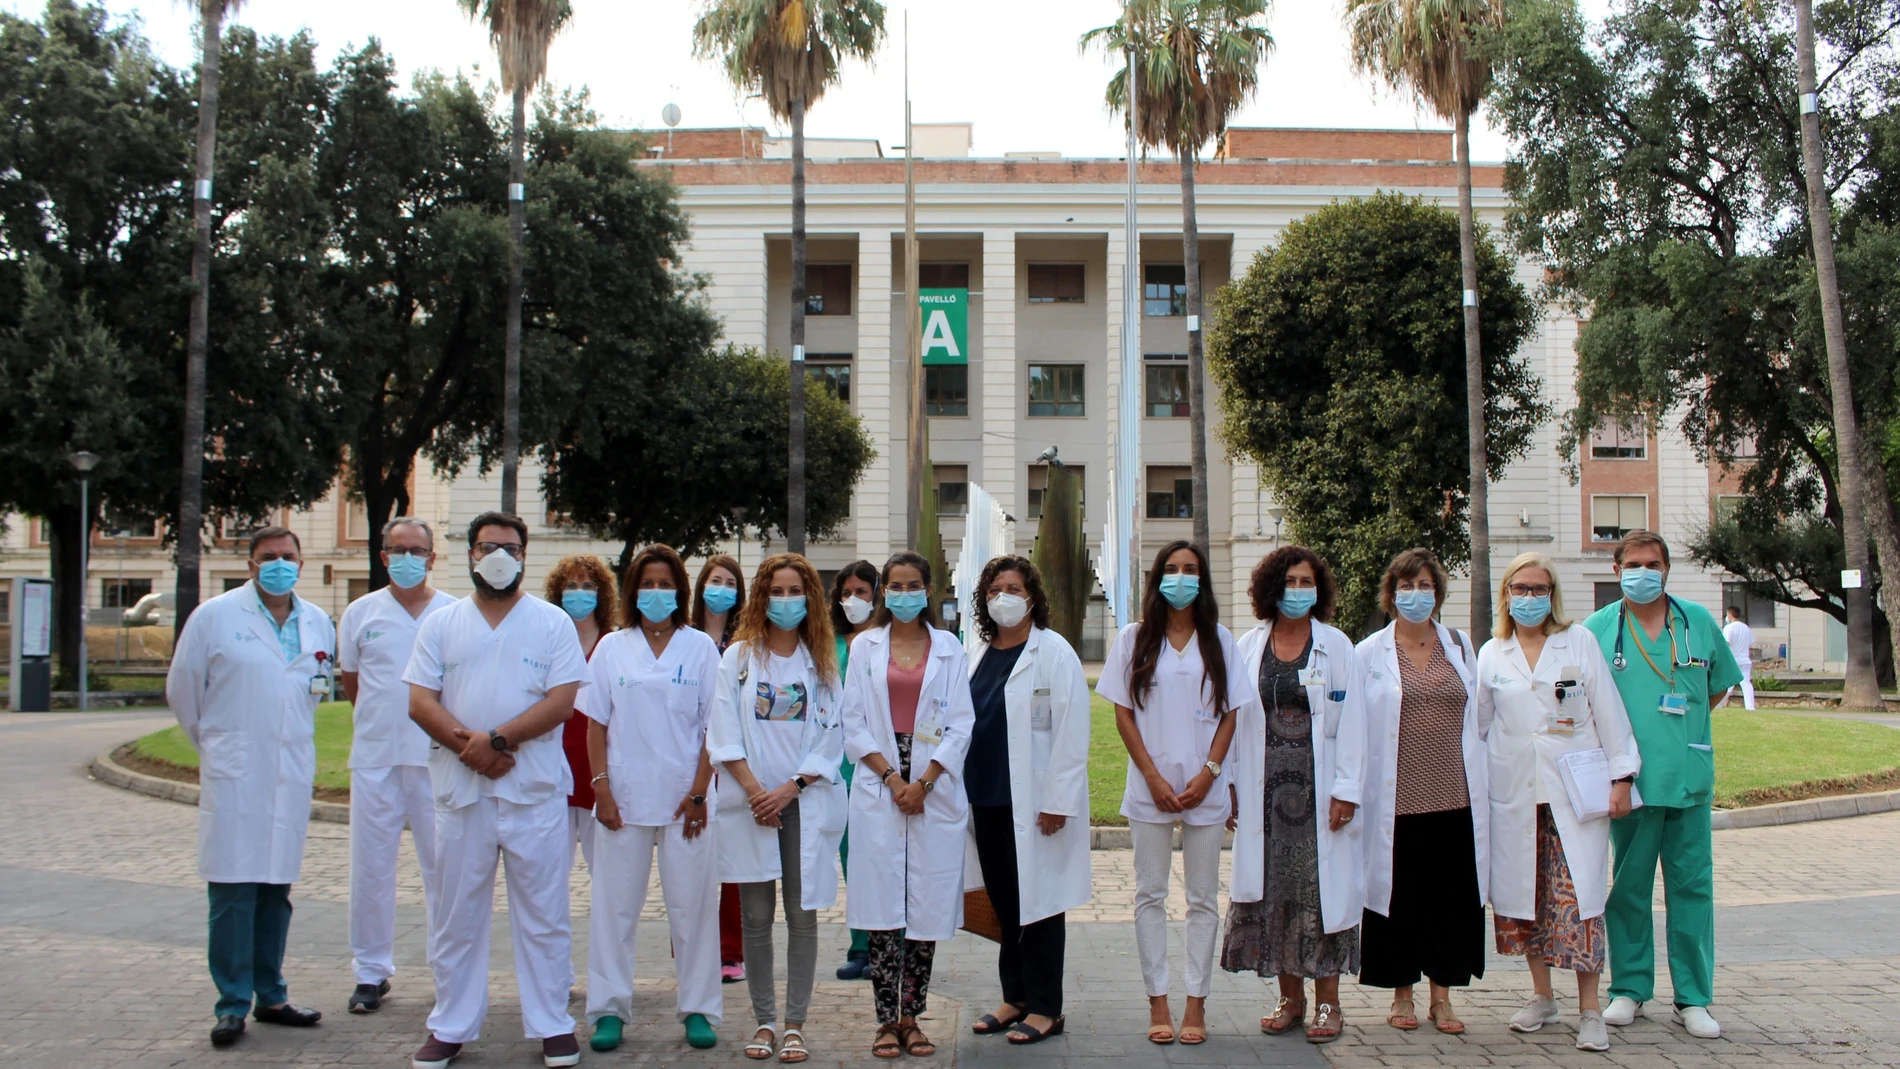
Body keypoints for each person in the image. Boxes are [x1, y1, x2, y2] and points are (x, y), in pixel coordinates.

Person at [404, 512, 589, 1069]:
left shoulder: (551, 622)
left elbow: (562, 701)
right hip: (464, 795)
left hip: (533, 794)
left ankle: (552, 1023)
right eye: (488, 547)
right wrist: (475, 750)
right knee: (457, 915)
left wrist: (500, 739)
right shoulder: (441, 623)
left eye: (509, 547)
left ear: (525, 554)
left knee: (545, 913)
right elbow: (420, 701)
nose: (499, 556)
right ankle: (451, 1025)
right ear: (470, 554)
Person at [167, 526, 336, 1048]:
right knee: (233, 891)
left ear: (302, 563)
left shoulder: (317, 623)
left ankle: (273, 994)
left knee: (275, 890)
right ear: (250, 565)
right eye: (268, 558)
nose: (279, 565)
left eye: (288, 557)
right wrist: (219, 746)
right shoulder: (214, 617)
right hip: (237, 771)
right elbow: (182, 692)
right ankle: (232, 1003)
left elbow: (315, 693)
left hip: (288, 772)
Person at [1478, 553, 1640, 1053]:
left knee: (1579, 903)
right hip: (1515, 796)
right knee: (1526, 901)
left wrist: (1622, 777)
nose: (1530, 598)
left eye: (1539, 589)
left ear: (1553, 594)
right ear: (1506, 594)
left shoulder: (1579, 642)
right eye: (1520, 589)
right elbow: (1479, 728)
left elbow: (1609, 713)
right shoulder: (1492, 652)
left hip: (1572, 795)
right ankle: (1542, 995)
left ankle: (1590, 1010)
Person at [1097, 539, 1255, 1046]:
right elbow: (1122, 711)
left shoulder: (1221, 640)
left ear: (1202, 580)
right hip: (1150, 790)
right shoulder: (1135, 638)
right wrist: (1153, 778)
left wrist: (1211, 774)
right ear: (1157, 579)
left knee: (1203, 900)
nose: (1181, 578)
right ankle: (1158, 1001)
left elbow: (1233, 712)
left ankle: (1196, 1005)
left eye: (1190, 570)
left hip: (1203, 790)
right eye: (1171, 569)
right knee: (1150, 895)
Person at [1583, 531, 1740, 1040]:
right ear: (1616, 569)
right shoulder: (1598, 631)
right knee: (1628, 889)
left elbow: (1716, 689)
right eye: (1633, 564)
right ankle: (1628, 989)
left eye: (1653, 564)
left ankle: (1694, 998)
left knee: (1692, 888)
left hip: (1687, 779)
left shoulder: (1698, 621)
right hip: (1630, 786)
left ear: (1668, 570)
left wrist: (1680, 737)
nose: (1643, 572)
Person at [582, 544, 723, 1052]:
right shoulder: (612, 648)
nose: (657, 593)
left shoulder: (701, 648)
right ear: (632, 590)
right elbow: (596, 724)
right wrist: (603, 788)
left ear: (680, 592)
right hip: (623, 797)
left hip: (687, 802)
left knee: (693, 908)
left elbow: (714, 728)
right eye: (648, 583)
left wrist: (699, 793)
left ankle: (699, 1008)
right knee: (615, 909)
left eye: (666, 584)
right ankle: (609, 1009)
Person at [1223, 546, 1365, 1045]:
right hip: (1265, 796)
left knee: (1320, 897)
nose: (1298, 590)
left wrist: (1346, 789)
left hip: (1320, 794)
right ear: (1270, 589)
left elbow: (1355, 723)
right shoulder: (1249, 646)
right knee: (1277, 896)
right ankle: (1291, 998)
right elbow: (1234, 722)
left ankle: (1329, 1002)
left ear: (1319, 589)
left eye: (1306, 582)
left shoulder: (1337, 646)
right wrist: (1232, 786)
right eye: (1288, 582)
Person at [707, 553, 845, 1065]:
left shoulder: (821, 662)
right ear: (761, 598)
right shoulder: (738, 658)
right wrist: (753, 792)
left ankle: (795, 1024)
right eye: (777, 591)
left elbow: (834, 735)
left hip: (801, 803)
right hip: (751, 804)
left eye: (796, 591)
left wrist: (789, 788)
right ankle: (764, 1021)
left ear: (810, 598)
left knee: (801, 915)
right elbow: (721, 732)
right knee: (756, 917)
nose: (786, 602)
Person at [842, 551, 977, 1059]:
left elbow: (962, 722)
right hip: (882, 780)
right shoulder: (863, 649)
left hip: (932, 783)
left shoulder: (948, 648)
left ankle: (911, 1017)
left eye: (913, 584)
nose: (903, 593)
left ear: (928, 589)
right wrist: (894, 779)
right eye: (894, 585)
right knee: (881, 909)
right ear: (883, 592)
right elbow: (852, 722)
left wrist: (924, 781)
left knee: (925, 905)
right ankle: (883, 1021)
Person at [1356, 547, 1487, 1036]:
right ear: (1391, 595)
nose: (1416, 595)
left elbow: (1482, 717)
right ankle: (1402, 995)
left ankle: (1443, 999)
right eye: (1406, 586)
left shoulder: (1459, 645)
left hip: (1455, 794)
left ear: (1439, 593)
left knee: (1451, 900)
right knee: (1400, 899)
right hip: (1396, 798)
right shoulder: (1369, 652)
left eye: (1425, 586)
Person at [962, 555, 1092, 1046]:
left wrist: (1058, 799)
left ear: (1032, 596)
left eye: (1013, 587)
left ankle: (1045, 1008)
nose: (1003, 597)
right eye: (994, 589)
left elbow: (1073, 730)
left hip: (1036, 805)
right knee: (1004, 904)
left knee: (1040, 904)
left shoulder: (1053, 652)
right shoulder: (976, 653)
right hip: (986, 799)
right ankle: (1013, 997)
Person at [339, 517, 456, 1014]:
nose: (408, 557)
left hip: (436, 761)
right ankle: (371, 970)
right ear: (383, 555)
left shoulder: (453, 613)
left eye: (418, 550)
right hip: (376, 759)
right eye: (398, 549)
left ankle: (448, 969)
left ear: (432, 557)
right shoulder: (360, 613)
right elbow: (352, 683)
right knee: (370, 869)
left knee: (444, 869)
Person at [694, 554, 749, 985]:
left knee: (731, 860)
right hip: (687, 760)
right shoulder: (684, 635)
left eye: (730, 582)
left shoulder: (746, 641)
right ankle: (690, 948)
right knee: (691, 861)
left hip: (732, 761)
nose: (722, 588)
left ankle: (732, 950)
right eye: (716, 580)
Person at [547, 554, 617, 884]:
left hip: (598, 776)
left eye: (588, 586)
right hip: (553, 774)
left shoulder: (613, 644)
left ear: (601, 593)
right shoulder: (547, 642)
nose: (579, 593)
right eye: (571, 586)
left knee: (606, 876)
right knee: (548, 878)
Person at [829, 560, 880, 981]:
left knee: (881, 853)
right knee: (852, 857)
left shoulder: (886, 641)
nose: (853, 600)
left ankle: (891, 943)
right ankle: (860, 946)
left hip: (878, 761)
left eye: (862, 592)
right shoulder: (827, 643)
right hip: (836, 765)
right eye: (846, 593)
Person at [1720, 606, 1757, 710]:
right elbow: (1751, 642)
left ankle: (1719, 704)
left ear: (1730, 615)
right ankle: (1750, 707)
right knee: (1746, 683)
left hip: (1733, 660)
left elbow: (1725, 644)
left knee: (1727, 685)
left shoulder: (1729, 628)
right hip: (1745, 660)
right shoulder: (1746, 628)